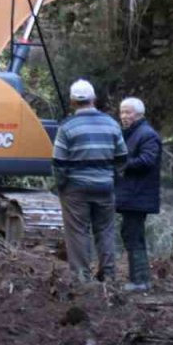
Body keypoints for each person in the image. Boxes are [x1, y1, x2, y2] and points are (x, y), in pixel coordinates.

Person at [52, 79, 127, 283]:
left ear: (72, 102)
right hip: (105, 186)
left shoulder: (67, 127)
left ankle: (82, 277)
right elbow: (122, 158)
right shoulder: (112, 124)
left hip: (76, 188)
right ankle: (109, 275)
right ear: (94, 99)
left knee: (78, 231)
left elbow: (59, 162)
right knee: (105, 230)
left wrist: (61, 185)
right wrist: (112, 177)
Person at [116, 97, 162, 292]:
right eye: (122, 112)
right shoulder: (130, 133)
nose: (124, 116)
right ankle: (139, 279)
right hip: (132, 194)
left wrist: (122, 165)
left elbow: (147, 160)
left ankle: (140, 280)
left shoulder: (147, 135)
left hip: (138, 194)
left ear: (140, 114)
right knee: (131, 234)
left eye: (128, 112)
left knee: (133, 235)